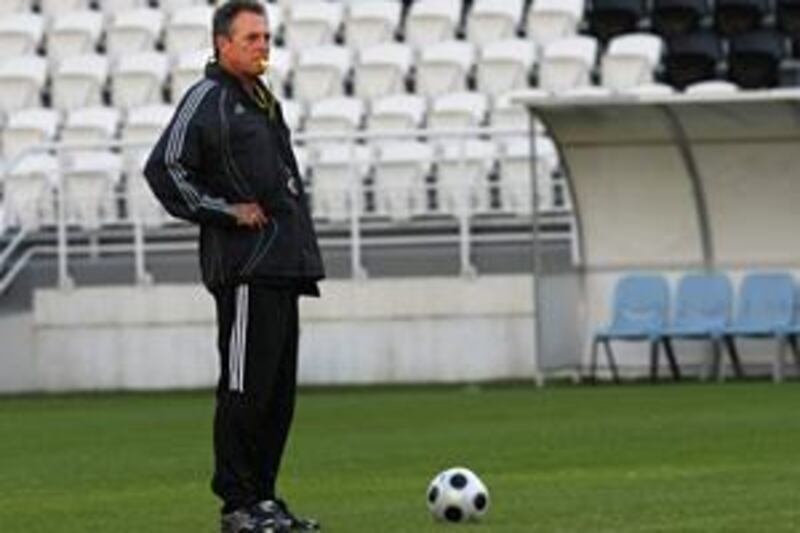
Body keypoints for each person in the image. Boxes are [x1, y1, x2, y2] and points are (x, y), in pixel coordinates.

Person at [144, 1, 324, 531]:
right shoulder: (208, 98)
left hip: (284, 266)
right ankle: (238, 505)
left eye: (267, 37)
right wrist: (223, 211)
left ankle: (264, 501)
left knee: (277, 395)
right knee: (244, 389)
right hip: (246, 269)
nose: (262, 46)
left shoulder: (263, 100)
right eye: (251, 38)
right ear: (222, 43)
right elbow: (164, 167)